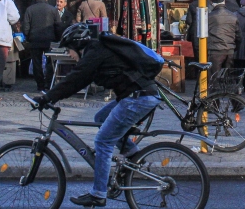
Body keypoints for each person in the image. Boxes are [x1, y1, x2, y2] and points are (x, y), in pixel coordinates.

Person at [35, 24, 163, 207]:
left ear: (77, 45)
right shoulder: (96, 51)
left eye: (69, 50)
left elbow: (76, 78)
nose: (69, 55)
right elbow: (79, 81)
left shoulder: (94, 52)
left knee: (103, 141)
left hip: (138, 98)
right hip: (137, 95)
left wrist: (48, 97)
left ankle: (98, 194)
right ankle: (132, 153)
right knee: (100, 118)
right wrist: (52, 97)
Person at [22, 0, 65, 92]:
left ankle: (40, 85)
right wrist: (58, 39)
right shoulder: (53, 10)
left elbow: (25, 27)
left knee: (37, 63)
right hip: (49, 40)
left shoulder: (30, 9)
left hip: (34, 40)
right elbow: (58, 26)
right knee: (50, 62)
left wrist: (28, 37)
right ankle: (48, 84)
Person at [207, 0, 240, 76]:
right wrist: (234, 47)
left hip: (215, 50)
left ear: (212, 3)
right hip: (230, 50)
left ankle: (215, 89)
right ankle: (227, 89)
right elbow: (239, 36)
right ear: (224, 2)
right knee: (228, 77)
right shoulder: (233, 16)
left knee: (214, 77)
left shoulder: (209, 16)